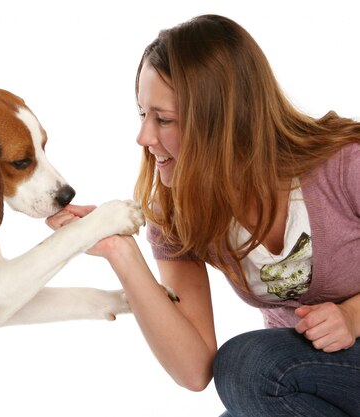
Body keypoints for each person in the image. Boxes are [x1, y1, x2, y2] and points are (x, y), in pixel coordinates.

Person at [47, 14, 360, 417]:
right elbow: (195, 370)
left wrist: (351, 316)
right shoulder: (176, 212)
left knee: (248, 366)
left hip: (305, 366)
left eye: (163, 119)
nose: (143, 137)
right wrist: (120, 252)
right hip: (310, 378)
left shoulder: (345, 164)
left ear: (224, 120)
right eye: (141, 114)